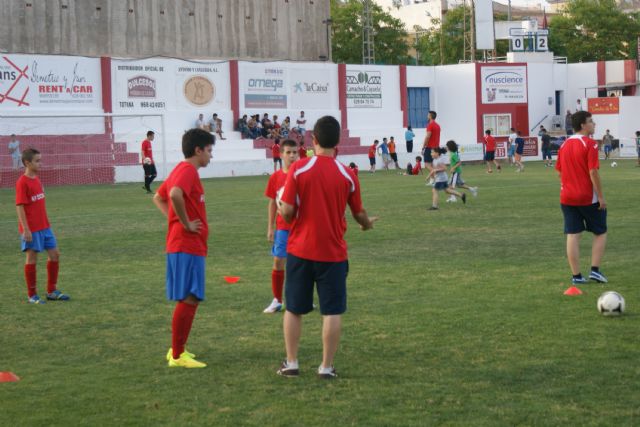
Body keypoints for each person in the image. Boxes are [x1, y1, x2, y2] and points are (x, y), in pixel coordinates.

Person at [276, 115, 377, 379]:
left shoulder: (298, 169)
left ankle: (292, 362)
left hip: (300, 250)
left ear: (313, 140)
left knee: (294, 308)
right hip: (332, 253)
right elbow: (359, 214)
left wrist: (280, 207)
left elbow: (287, 212)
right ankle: (326, 367)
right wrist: (367, 225)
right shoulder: (348, 174)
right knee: (331, 311)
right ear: (338, 143)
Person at [153, 128, 215, 368]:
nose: (210, 156)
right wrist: (185, 222)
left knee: (190, 297)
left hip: (188, 244)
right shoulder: (188, 170)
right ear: (197, 150)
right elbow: (175, 194)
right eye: (209, 151)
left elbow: (159, 197)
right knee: (190, 297)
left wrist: (175, 219)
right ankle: (178, 355)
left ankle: (177, 351)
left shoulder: (182, 169)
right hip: (186, 244)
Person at [555, 111, 608, 285]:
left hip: (566, 197)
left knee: (573, 235)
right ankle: (595, 271)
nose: (594, 124)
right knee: (600, 232)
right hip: (587, 197)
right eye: (591, 121)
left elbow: (559, 171)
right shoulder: (590, 144)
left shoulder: (564, 145)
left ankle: (576, 276)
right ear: (583, 125)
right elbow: (593, 171)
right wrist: (600, 196)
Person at [15, 148, 70, 304]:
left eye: (40, 160)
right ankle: (32, 295)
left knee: (55, 254)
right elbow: (19, 206)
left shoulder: (37, 179)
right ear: (27, 162)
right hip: (32, 229)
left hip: (45, 226)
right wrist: (25, 229)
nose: (41, 163)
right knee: (32, 258)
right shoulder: (22, 182)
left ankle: (51, 291)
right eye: (37, 161)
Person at [264, 140, 299, 314]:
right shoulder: (275, 177)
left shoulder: (302, 175)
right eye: (288, 152)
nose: (292, 155)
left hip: (301, 228)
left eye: (295, 152)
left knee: (300, 264)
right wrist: (270, 227)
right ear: (281, 154)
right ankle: (277, 300)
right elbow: (272, 202)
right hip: (282, 228)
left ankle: (300, 297)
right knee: (278, 261)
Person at [422, 111, 441, 181]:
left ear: (430, 116)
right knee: (432, 164)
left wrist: (423, 146)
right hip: (437, 147)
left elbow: (428, 136)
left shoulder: (430, 125)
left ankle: (438, 177)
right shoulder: (438, 125)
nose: (427, 116)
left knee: (427, 165)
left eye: (428, 115)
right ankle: (432, 181)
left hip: (430, 147)